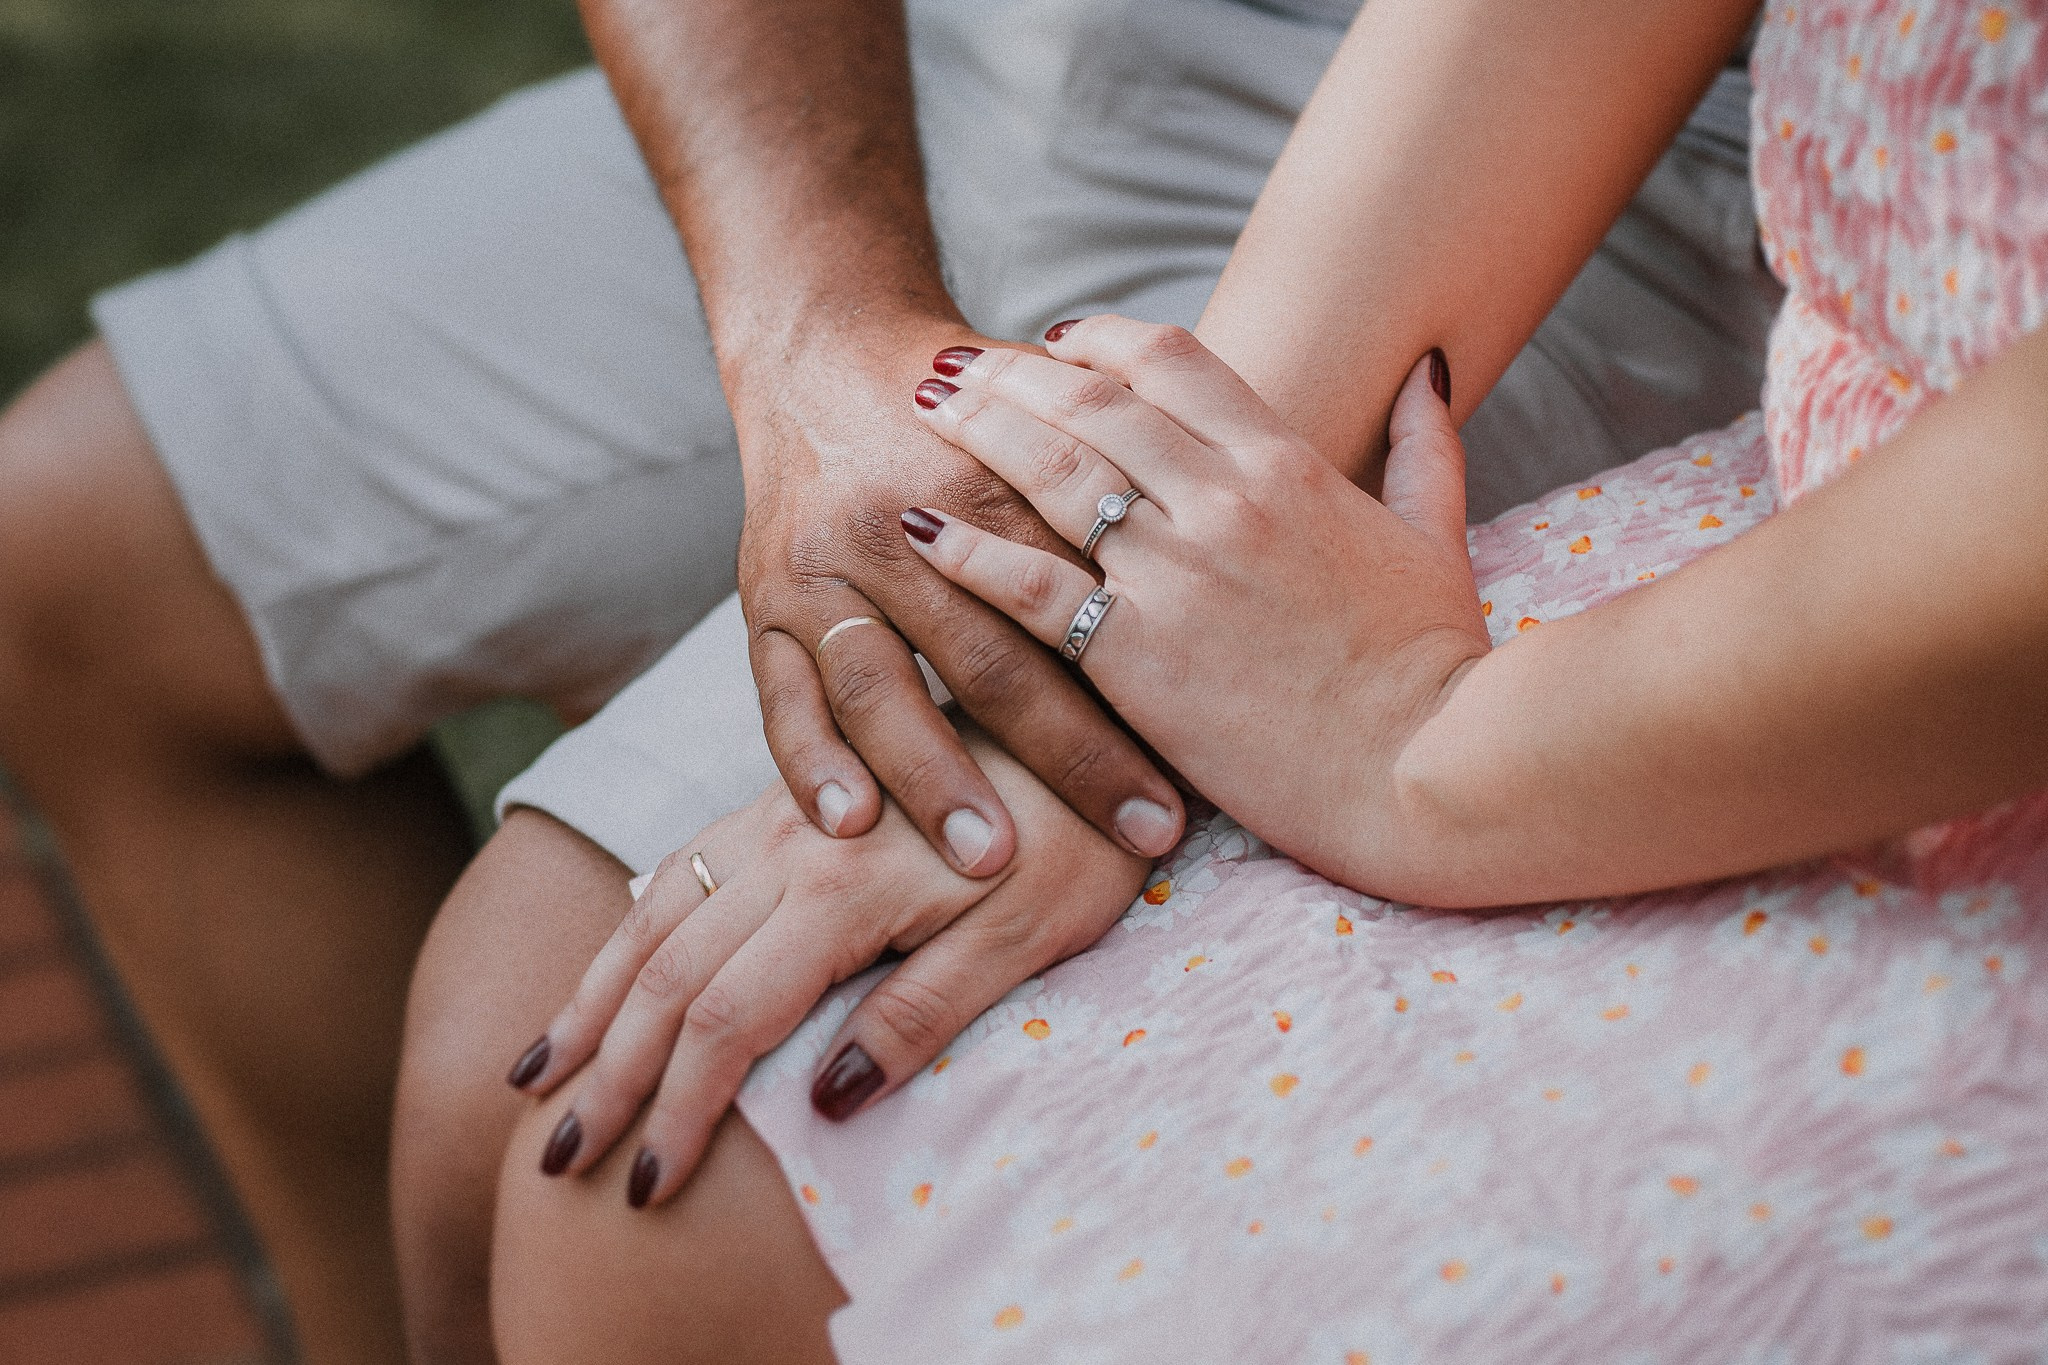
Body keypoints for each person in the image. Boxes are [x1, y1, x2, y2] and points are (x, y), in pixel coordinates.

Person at [0, 1, 1771, 1362]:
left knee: (541, 1077)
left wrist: (1135, 608)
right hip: (949, 65)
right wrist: (811, 346)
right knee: (65, 555)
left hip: (1549, 168)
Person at [461, 0, 2047, 1360]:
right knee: (566, 1113)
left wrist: (1415, 746)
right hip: (1830, 479)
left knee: (650, 1175)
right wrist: (1122, 621)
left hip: (1926, 672)